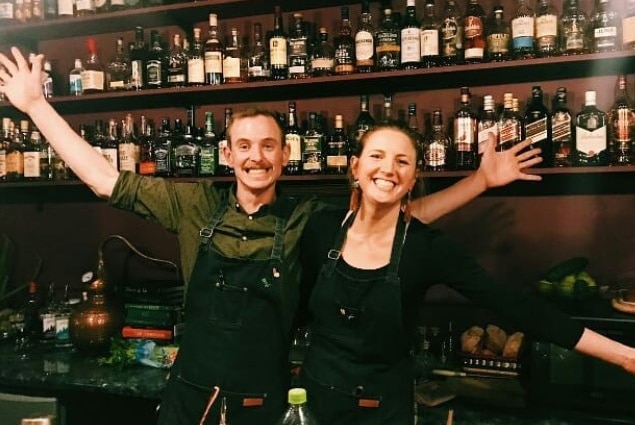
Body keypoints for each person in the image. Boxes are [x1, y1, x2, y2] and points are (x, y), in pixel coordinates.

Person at [0, 47, 542, 425]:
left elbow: (399, 213)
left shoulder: (311, 219)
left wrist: (478, 182)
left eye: (268, 146)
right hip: (188, 400)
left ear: (285, 156)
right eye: (244, 146)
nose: (256, 157)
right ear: (228, 154)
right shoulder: (193, 204)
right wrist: (36, 106)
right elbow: (100, 177)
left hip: (267, 404)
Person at [297, 123, 635, 425]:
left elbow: (516, 306)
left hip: (384, 408)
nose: (388, 168)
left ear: (413, 179)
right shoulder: (320, 229)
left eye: (402, 161)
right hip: (314, 404)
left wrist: (624, 356)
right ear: (355, 166)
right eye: (377, 156)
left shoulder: (426, 248)